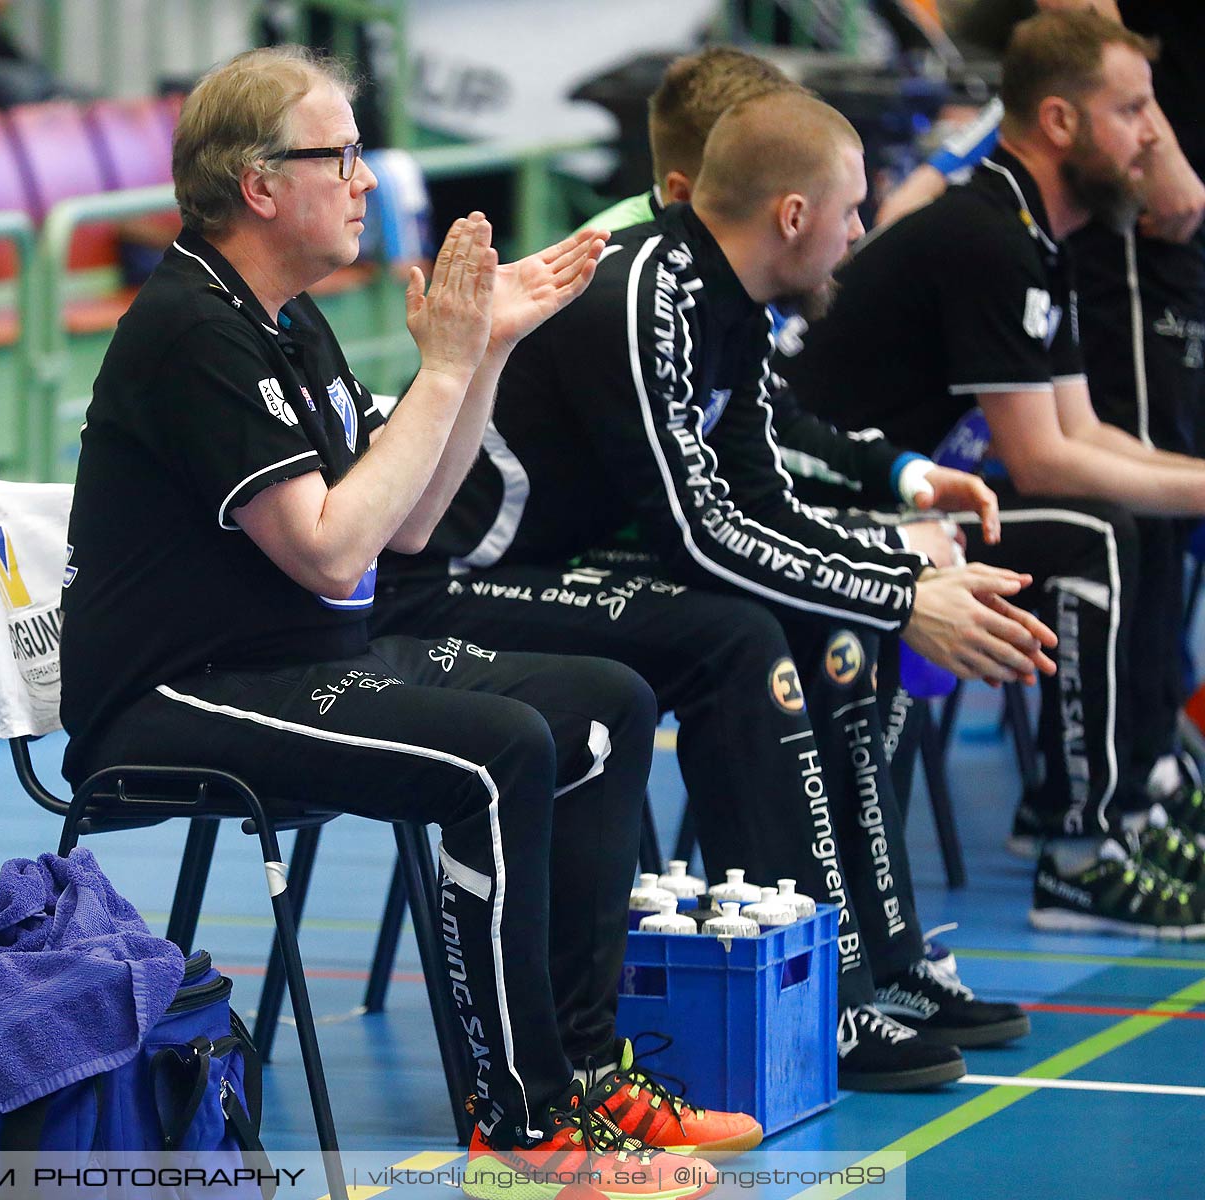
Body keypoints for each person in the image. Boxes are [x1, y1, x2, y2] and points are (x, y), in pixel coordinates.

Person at [58, 44, 733, 1199]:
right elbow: (328, 551)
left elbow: (409, 525)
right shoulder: (191, 330)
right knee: (497, 753)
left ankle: (579, 1067)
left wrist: (483, 359)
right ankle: (520, 1124)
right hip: (178, 696)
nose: (369, 178)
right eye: (345, 155)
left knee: (605, 702)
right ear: (262, 185)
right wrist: (445, 367)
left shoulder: (285, 320)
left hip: (295, 664)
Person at [376, 62, 1044, 1093]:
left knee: (823, 626)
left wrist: (896, 574)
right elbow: (699, 535)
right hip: (457, 584)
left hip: (569, 564)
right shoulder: (642, 298)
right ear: (791, 215)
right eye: (852, 211)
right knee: (738, 638)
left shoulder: (731, 302)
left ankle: (877, 964)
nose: (863, 234)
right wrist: (904, 597)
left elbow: (761, 498)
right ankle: (816, 1000)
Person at [786, 9, 1205, 935]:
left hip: (899, 491)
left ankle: (1123, 810)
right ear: (1061, 122)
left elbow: (1086, 431)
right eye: (1133, 111)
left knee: (1115, 515)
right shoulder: (987, 237)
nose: (1152, 135)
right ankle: (1079, 852)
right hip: (821, 504)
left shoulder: (1033, 231)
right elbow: (1043, 459)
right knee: (1091, 532)